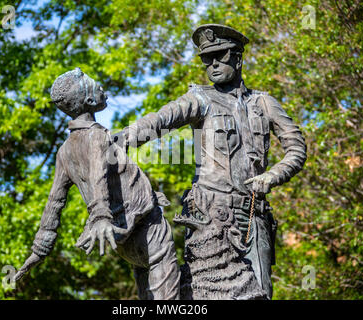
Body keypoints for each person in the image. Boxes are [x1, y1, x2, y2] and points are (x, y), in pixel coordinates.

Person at [115, 24, 307, 299]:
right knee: (208, 294)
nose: (212, 63)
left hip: (252, 216)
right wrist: (121, 139)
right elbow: (160, 120)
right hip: (210, 218)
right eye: (206, 59)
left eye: (220, 56)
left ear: (238, 58)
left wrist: (272, 176)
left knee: (260, 293)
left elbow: (296, 147)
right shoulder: (200, 99)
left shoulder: (264, 103)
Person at [14, 68, 180, 300]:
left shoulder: (64, 151)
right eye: (97, 86)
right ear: (90, 100)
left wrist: (39, 250)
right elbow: (97, 175)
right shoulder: (97, 137)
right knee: (169, 296)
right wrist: (101, 215)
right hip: (145, 227)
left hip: (122, 239)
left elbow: (55, 202)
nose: (102, 87)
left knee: (149, 294)